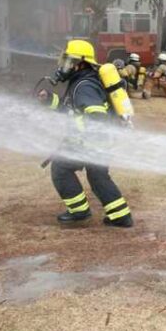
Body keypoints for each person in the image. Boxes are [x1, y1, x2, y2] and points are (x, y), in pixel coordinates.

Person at [36, 39, 133, 228]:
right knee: (98, 178)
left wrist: (85, 142)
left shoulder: (84, 86)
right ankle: (121, 216)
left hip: (90, 143)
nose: (65, 66)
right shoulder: (82, 82)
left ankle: (79, 211)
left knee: (61, 169)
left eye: (69, 62)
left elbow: (96, 115)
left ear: (80, 63)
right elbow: (71, 109)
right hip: (98, 143)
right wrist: (50, 100)